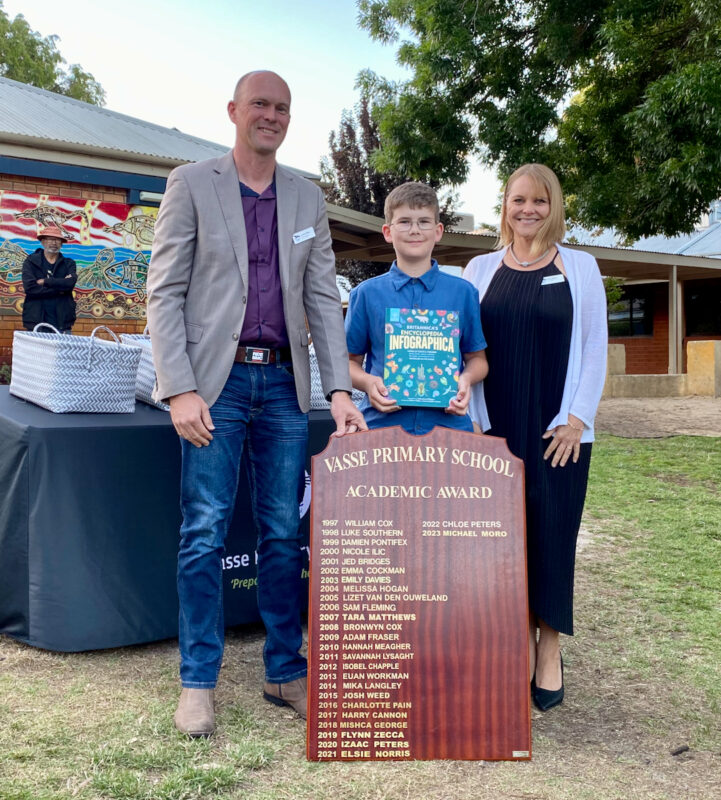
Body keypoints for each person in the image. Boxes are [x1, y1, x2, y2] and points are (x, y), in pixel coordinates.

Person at [146, 70, 366, 738]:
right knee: (205, 530)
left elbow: (324, 299)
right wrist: (178, 386)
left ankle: (283, 669)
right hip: (216, 385)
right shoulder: (191, 183)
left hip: (284, 391)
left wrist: (336, 387)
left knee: (282, 532)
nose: (270, 116)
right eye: (260, 105)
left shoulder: (307, 197)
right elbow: (163, 292)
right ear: (235, 111)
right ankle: (197, 683)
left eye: (282, 108)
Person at [464, 164, 607, 712]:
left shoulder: (580, 267)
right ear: (504, 204)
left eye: (539, 201)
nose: (528, 210)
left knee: (552, 535)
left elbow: (594, 346)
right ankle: (517, 639)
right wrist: (473, 420)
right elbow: (465, 349)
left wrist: (577, 418)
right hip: (495, 430)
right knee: (505, 542)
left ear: (555, 206)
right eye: (518, 200)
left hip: (558, 432)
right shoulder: (478, 268)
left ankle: (549, 648)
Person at [346, 182, 488, 434]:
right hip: (380, 427)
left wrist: (465, 380)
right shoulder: (366, 294)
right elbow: (348, 363)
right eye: (404, 222)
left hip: (448, 426)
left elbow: (477, 359)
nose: (414, 230)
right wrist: (368, 383)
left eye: (424, 221)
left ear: (438, 230)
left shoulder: (464, 293)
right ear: (388, 232)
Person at [21, 226, 77, 333]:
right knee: (36, 350)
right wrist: (60, 289)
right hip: (36, 320)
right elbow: (30, 288)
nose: (54, 243)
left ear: (61, 243)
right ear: (43, 242)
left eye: (57, 240)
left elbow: (70, 283)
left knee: (64, 350)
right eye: (50, 239)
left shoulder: (69, 264)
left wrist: (46, 282)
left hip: (62, 322)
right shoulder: (31, 261)